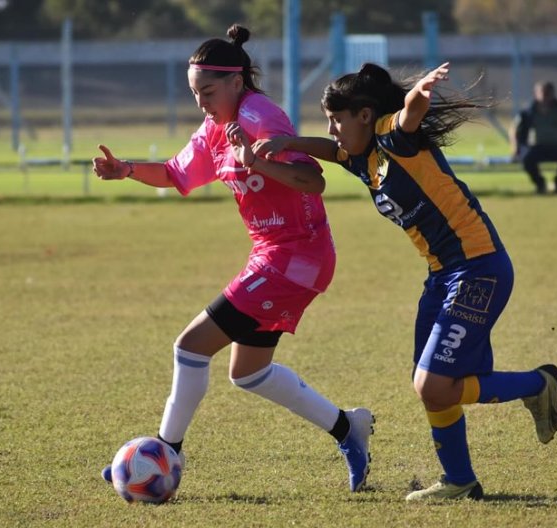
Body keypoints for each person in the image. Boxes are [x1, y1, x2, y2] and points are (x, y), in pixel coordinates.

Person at [252, 62, 557, 501]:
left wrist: (420, 91)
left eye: (337, 119)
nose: (333, 129)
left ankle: (538, 385)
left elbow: (410, 114)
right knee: (437, 387)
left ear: (364, 115)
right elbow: (331, 149)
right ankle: (460, 481)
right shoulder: (360, 156)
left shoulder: (390, 137)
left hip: (478, 267)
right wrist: (287, 142)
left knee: (433, 384)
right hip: (442, 275)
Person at [92, 25, 374, 493]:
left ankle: (163, 455)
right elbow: (174, 173)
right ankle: (350, 429)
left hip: (298, 255)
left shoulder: (261, 116)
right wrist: (126, 170)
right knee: (249, 373)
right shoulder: (213, 130)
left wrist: (258, 160)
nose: (201, 102)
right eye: (194, 93)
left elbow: (313, 183)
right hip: (272, 254)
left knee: (190, 345)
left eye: (207, 91)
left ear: (236, 83)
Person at [513, 81, 557, 194]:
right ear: (536, 93)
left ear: (553, 93)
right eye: (542, 93)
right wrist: (516, 148)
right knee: (527, 159)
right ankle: (540, 183)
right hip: (536, 147)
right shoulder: (527, 112)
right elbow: (514, 130)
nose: (545, 96)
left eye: (548, 93)